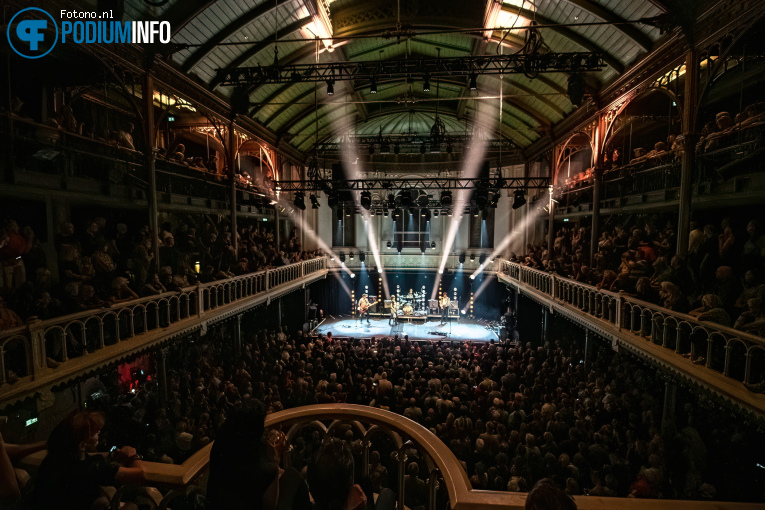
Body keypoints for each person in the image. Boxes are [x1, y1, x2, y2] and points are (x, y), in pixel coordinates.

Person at [32, 411, 145, 510]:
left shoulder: (54, 459)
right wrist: (133, 456)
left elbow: (89, 458)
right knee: (133, 505)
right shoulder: (89, 469)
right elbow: (140, 474)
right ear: (81, 444)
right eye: (93, 431)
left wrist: (112, 455)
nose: (99, 431)